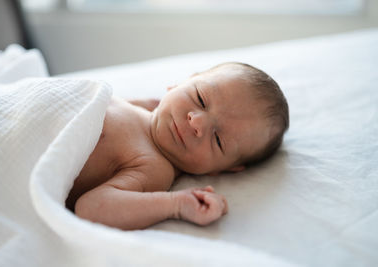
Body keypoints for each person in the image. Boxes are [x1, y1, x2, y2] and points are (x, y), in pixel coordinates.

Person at [65, 62, 289, 230]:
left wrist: (175, 205)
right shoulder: (146, 106)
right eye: (200, 98)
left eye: (218, 140)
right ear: (181, 83)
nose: (198, 122)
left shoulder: (154, 168)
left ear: (219, 169)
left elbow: (91, 208)